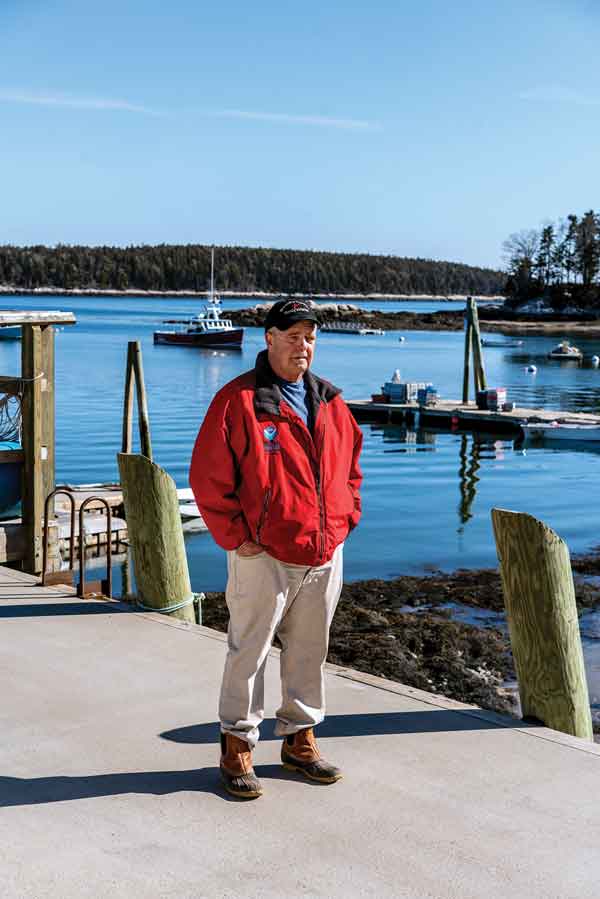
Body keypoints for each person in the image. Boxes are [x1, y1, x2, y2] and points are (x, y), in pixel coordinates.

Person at [189, 299, 363, 799]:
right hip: (261, 553)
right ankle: (237, 744)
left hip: (324, 550)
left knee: (309, 650)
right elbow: (208, 477)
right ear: (269, 338)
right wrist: (236, 537)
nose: (301, 345)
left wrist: (346, 517)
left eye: (309, 336)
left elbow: (351, 469)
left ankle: (299, 738)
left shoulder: (330, 401)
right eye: (291, 335)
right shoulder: (238, 401)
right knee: (250, 649)